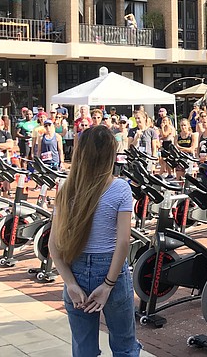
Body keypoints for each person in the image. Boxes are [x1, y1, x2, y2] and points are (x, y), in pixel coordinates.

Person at [48, 125, 141, 356]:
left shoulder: (67, 188)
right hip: (111, 269)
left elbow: (53, 245)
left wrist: (70, 283)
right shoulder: (120, 188)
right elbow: (123, 242)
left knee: (83, 348)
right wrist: (108, 284)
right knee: (125, 346)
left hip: (75, 270)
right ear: (111, 155)